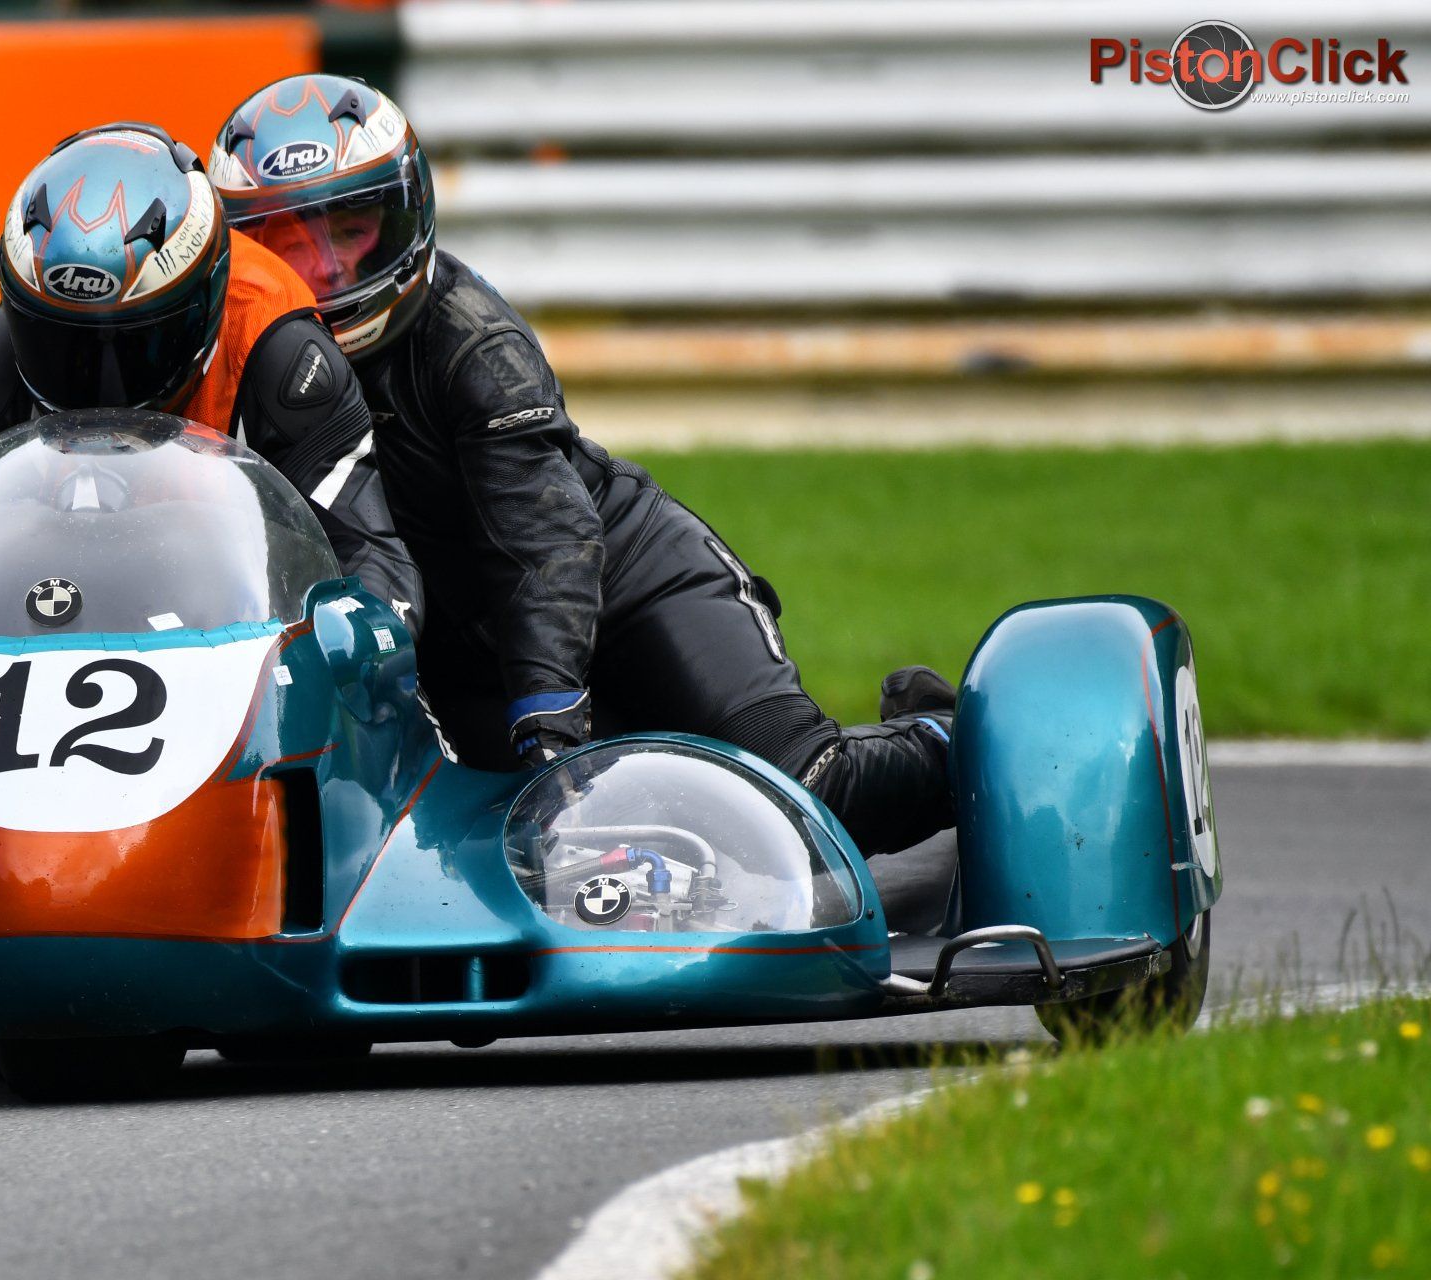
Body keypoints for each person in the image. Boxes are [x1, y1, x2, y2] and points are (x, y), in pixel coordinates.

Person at [210, 77, 954, 855]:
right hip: (456, 656)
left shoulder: (475, 346)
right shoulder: (237, 359)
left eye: (352, 229)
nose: (325, 271)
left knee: (802, 797)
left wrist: (549, 731)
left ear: (405, 215)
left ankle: (948, 738)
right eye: (287, 242)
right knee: (468, 852)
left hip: (628, 587)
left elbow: (547, 542)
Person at [0, 121, 417, 625]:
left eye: (136, 342)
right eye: (62, 341)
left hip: (235, 643)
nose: (100, 384)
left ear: (207, 302)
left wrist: (341, 644)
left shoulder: (282, 356)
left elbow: (373, 560)